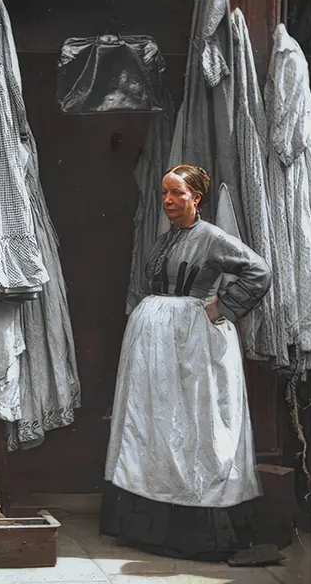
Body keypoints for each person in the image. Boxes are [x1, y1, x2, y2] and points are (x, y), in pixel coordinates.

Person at [102, 164, 272, 560]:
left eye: (176, 193)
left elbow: (258, 271)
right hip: (156, 344)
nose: (167, 201)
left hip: (192, 343)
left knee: (195, 423)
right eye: (164, 193)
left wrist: (223, 308)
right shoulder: (166, 239)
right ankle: (149, 526)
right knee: (156, 423)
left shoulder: (211, 237)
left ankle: (197, 529)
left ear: (196, 198)